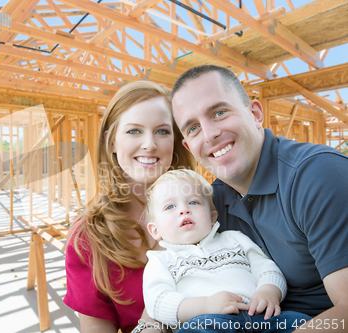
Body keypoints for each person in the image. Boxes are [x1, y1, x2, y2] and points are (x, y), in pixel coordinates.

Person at [171, 64, 348, 330]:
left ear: (255, 114)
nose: (209, 134)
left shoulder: (316, 174)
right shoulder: (214, 203)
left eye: (219, 113)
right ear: (189, 147)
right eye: (193, 128)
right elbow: (170, 266)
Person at [63, 81, 195, 333]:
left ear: (175, 142)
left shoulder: (206, 208)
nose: (149, 144)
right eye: (134, 131)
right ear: (111, 142)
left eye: (162, 131)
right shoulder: (88, 237)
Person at [142, 169, 310, 332]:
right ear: (155, 230)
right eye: (170, 207)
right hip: (207, 321)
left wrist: (268, 292)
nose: (184, 210)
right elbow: (157, 302)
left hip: (260, 315)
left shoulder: (234, 239)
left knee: (299, 321)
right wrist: (206, 305)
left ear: (213, 217)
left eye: (193, 202)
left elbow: (267, 268)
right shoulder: (160, 260)